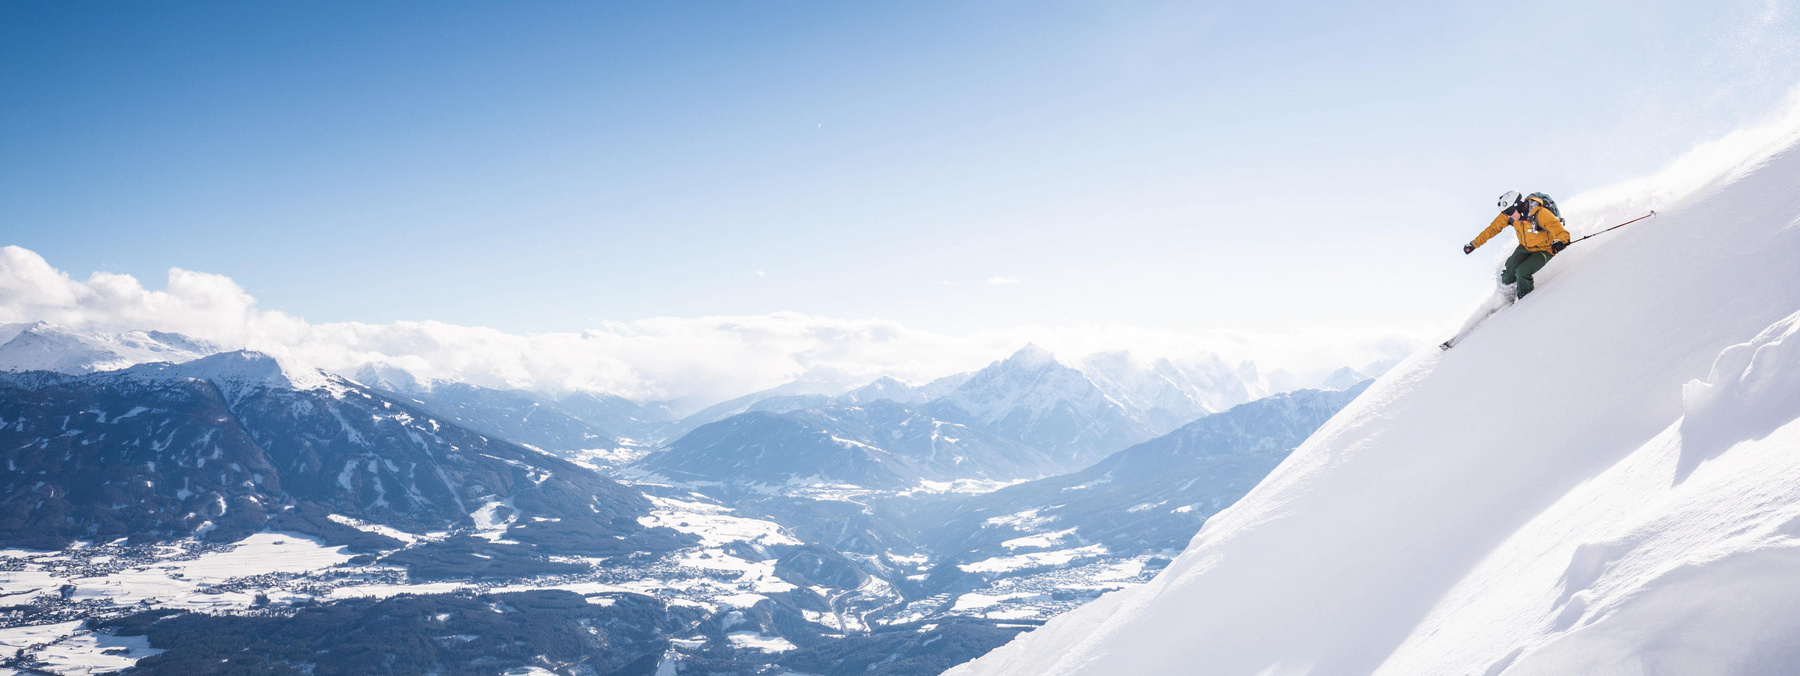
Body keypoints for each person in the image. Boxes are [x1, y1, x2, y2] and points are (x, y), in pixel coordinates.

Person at [1464, 190, 1570, 299]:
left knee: (1522, 271)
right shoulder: (1510, 215)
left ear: (1518, 206)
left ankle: (1523, 302)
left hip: (1545, 249)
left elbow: (1561, 231)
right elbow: (1493, 229)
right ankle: (1507, 297)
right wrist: (1474, 244)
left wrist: (1561, 242)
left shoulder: (1540, 214)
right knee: (1509, 271)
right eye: (1505, 212)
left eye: (1509, 211)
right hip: (1525, 247)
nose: (1508, 215)